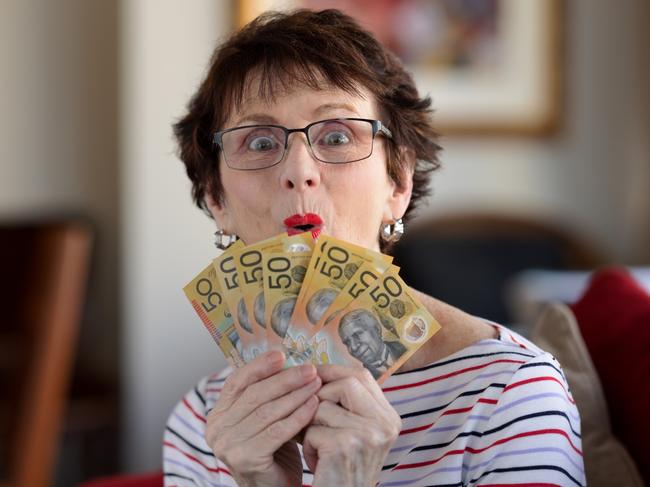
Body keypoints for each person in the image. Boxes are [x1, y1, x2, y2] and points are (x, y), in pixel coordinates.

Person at [164, 9, 584, 486]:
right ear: (217, 199)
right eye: (259, 142)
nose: (299, 170)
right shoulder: (201, 421)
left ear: (398, 182)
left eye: (338, 135)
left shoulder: (511, 392)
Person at [338, 308, 406, 379]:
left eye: (357, 335)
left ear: (377, 329)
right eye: (347, 342)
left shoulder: (404, 348)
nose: (353, 347)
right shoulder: (363, 379)